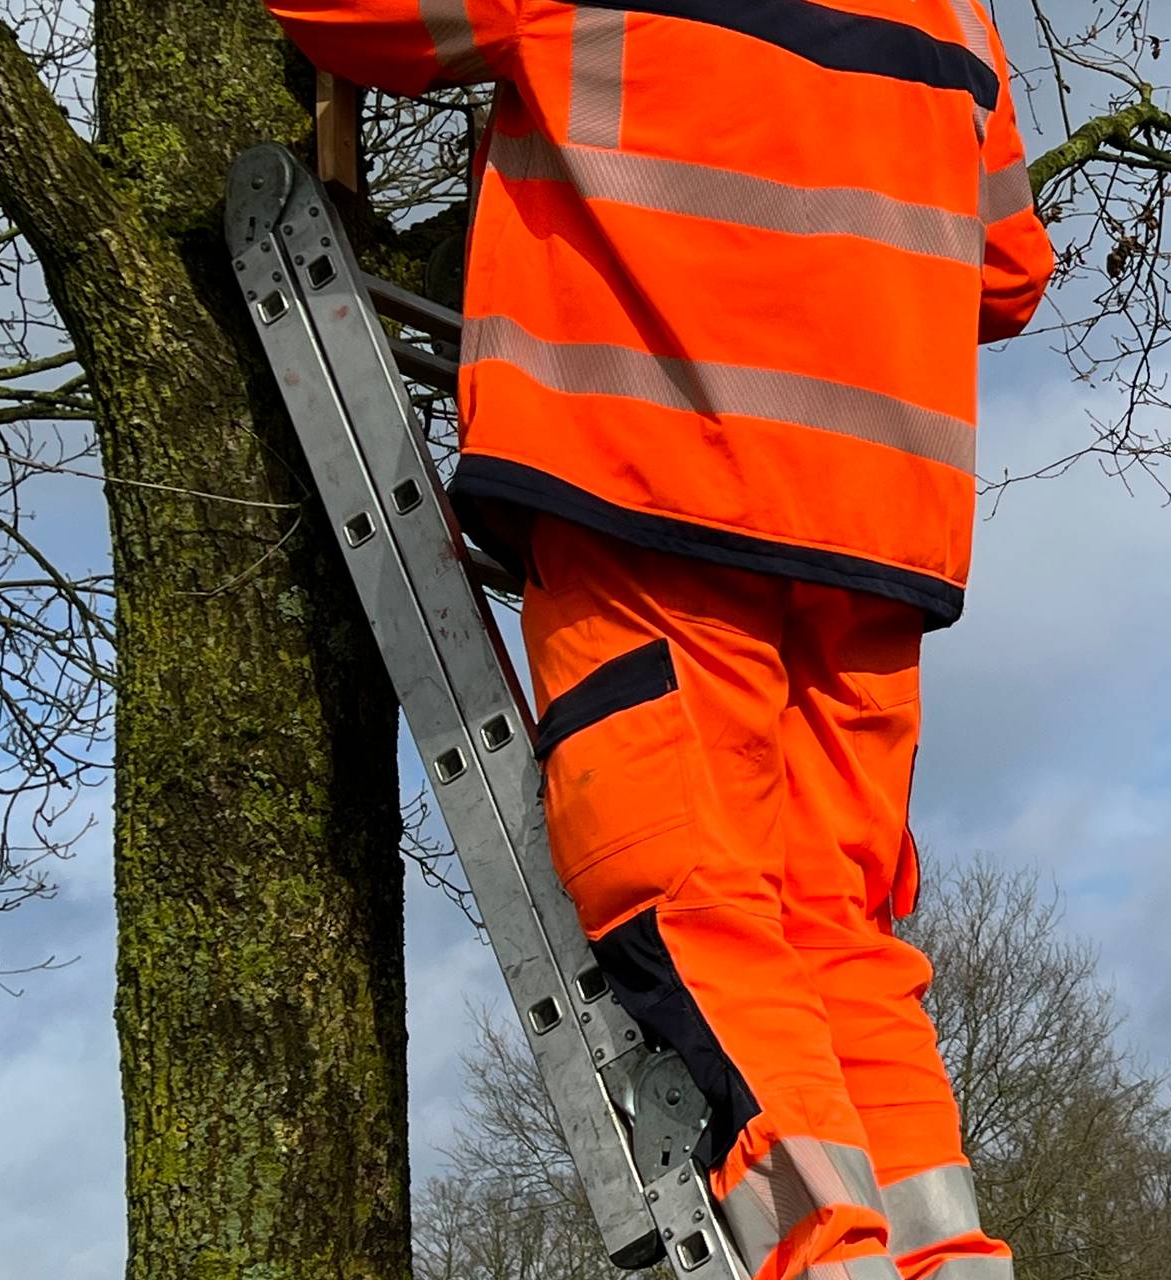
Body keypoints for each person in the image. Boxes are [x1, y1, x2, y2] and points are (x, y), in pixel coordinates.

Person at [256, 2, 1056, 1279]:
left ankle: (829, 1256)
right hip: (874, 534)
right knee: (837, 930)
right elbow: (1007, 270)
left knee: (691, 897)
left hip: (651, 484)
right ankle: (940, 1258)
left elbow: (346, 14)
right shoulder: (958, 12)